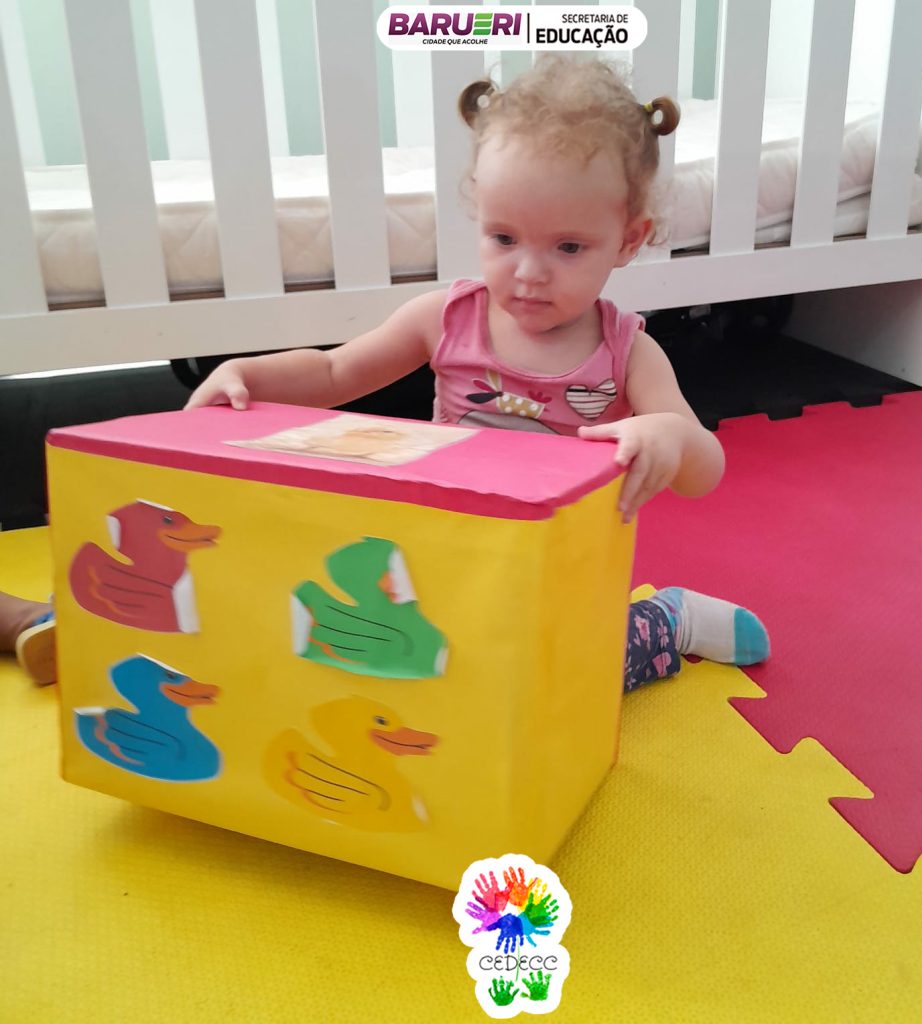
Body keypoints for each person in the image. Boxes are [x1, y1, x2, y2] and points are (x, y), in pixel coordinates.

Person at [1, 56, 767, 692]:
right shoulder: (447, 318)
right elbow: (336, 371)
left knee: (554, 679)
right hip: (434, 552)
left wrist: (668, 436)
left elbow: (706, 467)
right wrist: (250, 374)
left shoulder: (628, 352)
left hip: (555, 574)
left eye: (568, 247)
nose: (529, 272)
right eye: (504, 238)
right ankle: (90, 624)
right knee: (340, 644)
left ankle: (662, 620)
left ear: (627, 240)